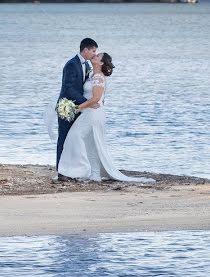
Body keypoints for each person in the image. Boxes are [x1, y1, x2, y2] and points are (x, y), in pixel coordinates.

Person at [57, 52, 155, 184]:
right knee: (91, 143)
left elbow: (96, 99)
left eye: (98, 56)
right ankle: (95, 175)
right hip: (90, 112)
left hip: (92, 113)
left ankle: (78, 170)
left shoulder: (98, 77)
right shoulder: (92, 74)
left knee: (74, 137)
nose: (95, 56)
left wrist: (78, 108)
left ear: (101, 63)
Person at [55, 38, 99, 172]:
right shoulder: (71, 64)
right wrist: (85, 103)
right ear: (85, 50)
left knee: (73, 140)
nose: (94, 54)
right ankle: (60, 171)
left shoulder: (87, 65)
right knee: (63, 138)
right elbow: (68, 88)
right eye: (93, 50)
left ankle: (72, 169)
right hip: (67, 107)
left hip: (80, 108)